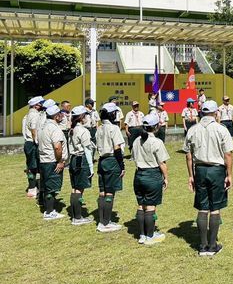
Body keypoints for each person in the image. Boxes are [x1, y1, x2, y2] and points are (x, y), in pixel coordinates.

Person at [183, 100, 233, 256]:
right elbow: (228, 154)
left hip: (200, 170)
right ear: (215, 112)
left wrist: (191, 176)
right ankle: (212, 245)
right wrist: (229, 174)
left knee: (203, 207)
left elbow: (188, 155)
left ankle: (203, 245)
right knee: (215, 207)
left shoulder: (193, 129)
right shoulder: (221, 129)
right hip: (216, 170)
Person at [132, 113, 170, 245]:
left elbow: (134, 157)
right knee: (150, 206)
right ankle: (150, 235)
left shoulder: (137, 140)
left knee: (141, 205)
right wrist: (166, 177)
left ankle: (142, 234)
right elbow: (162, 163)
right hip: (152, 175)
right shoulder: (157, 142)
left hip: (139, 175)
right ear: (156, 127)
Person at [96, 102, 126, 233]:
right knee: (110, 192)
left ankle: (102, 221)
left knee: (102, 192)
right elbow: (117, 148)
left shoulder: (99, 129)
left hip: (102, 161)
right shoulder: (114, 129)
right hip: (112, 160)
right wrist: (122, 165)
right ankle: (106, 222)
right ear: (112, 114)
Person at [37, 105, 67, 220]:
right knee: (52, 187)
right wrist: (60, 161)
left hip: (44, 160)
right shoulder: (54, 128)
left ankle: (48, 209)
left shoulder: (43, 126)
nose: (62, 116)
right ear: (56, 115)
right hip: (52, 161)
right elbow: (57, 147)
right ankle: (49, 211)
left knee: (46, 186)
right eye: (60, 113)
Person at [68, 106, 95, 226]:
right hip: (81, 159)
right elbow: (87, 150)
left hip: (73, 159)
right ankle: (77, 217)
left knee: (74, 188)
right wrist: (91, 166)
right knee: (79, 189)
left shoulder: (72, 130)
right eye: (86, 115)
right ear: (81, 117)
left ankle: (75, 215)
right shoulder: (83, 131)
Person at [23, 96, 44, 198]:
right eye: (41, 103)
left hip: (28, 142)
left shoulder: (27, 115)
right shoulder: (34, 115)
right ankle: (32, 189)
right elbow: (33, 129)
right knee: (33, 166)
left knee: (31, 166)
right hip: (33, 143)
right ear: (36, 105)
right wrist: (37, 142)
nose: (42, 105)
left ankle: (33, 187)